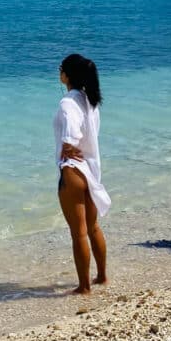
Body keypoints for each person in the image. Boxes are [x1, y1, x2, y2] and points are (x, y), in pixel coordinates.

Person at [54, 53, 111, 294]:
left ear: (66, 75)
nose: (58, 72)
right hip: (90, 170)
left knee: (78, 234)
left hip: (73, 172)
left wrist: (68, 145)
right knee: (93, 227)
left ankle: (84, 287)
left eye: (60, 69)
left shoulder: (68, 102)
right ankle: (102, 277)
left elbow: (70, 137)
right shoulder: (91, 100)